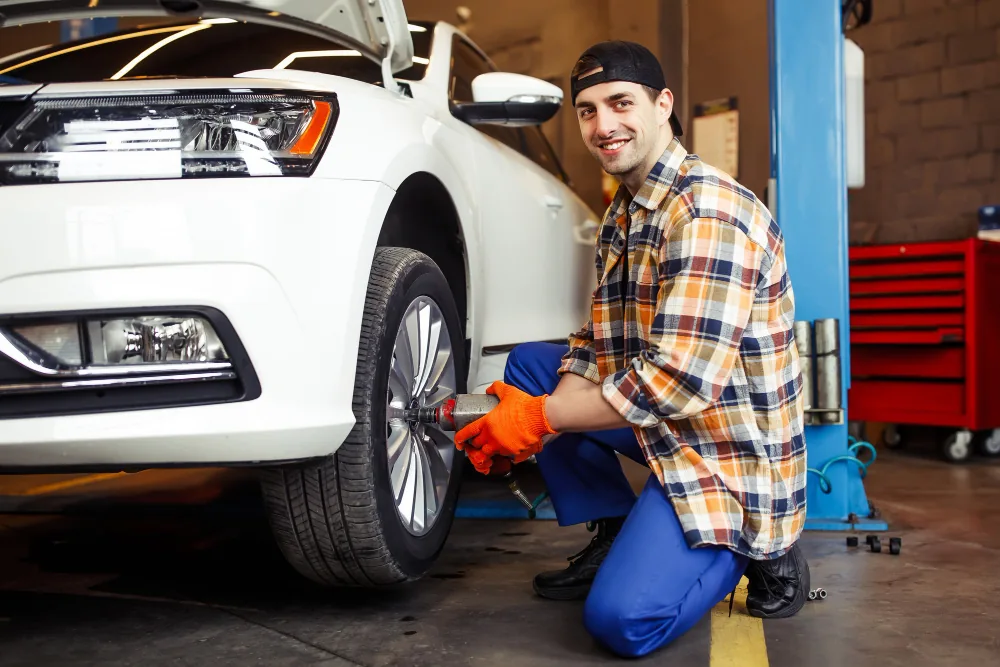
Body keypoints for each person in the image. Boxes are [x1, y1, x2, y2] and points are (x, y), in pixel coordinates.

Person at [455, 40, 809, 659]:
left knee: (623, 622)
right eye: (588, 111)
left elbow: (679, 383)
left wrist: (540, 420)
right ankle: (619, 534)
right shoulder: (625, 210)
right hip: (669, 425)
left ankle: (759, 545)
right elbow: (597, 343)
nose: (603, 125)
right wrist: (537, 409)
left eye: (620, 103)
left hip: (727, 453)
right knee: (533, 369)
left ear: (663, 104)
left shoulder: (707, 215)